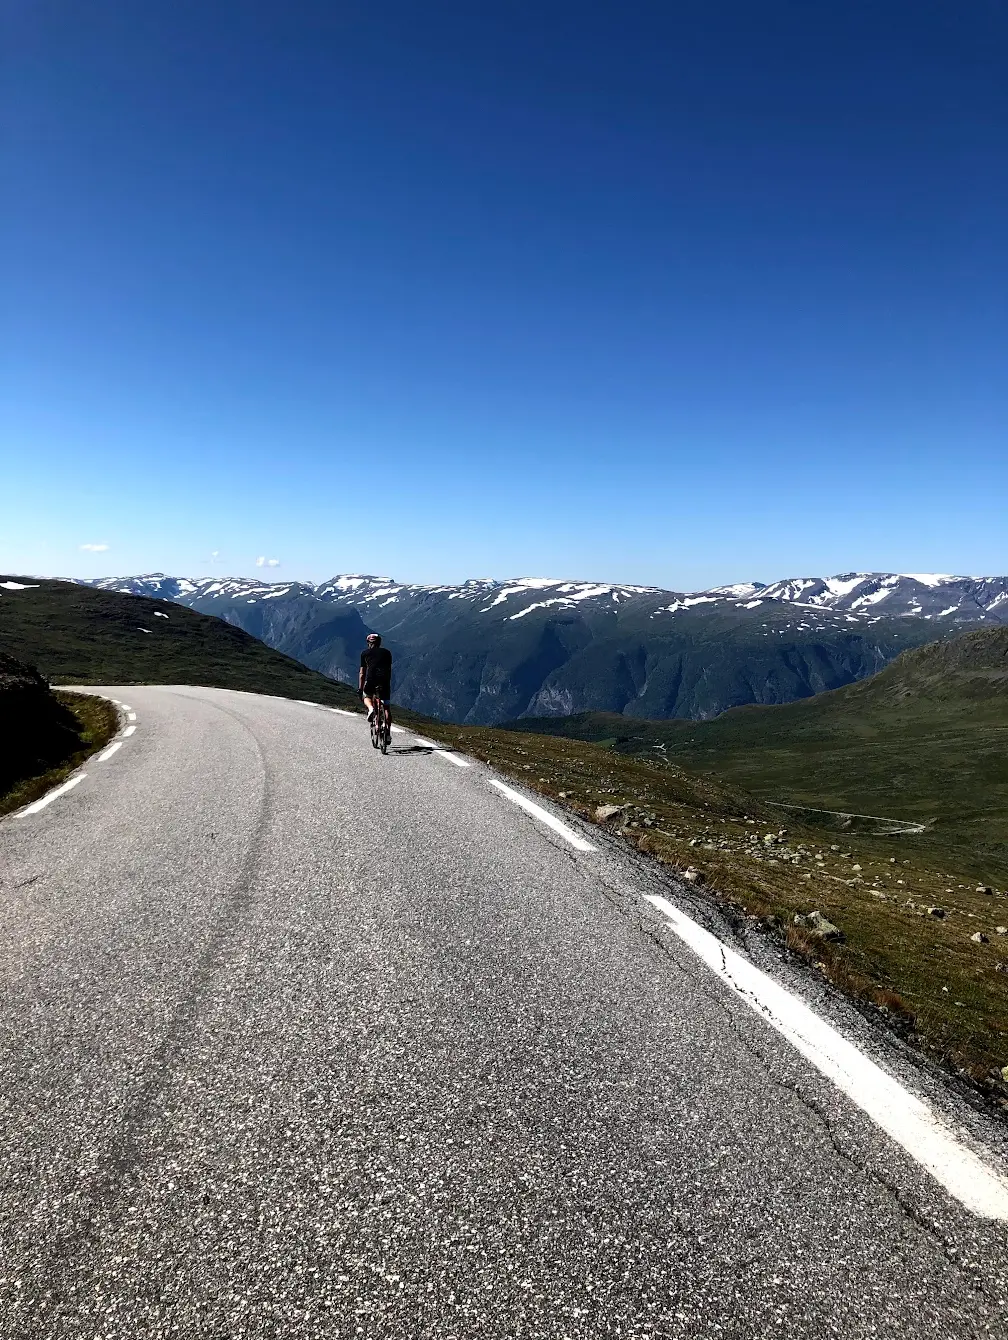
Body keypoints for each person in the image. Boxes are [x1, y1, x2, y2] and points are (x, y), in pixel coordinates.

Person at [359, 632, 392, 732]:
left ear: (368, 643)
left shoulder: (365, 654)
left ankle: (371, 709)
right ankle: (387, 731)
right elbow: (388, 669)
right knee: (386, 707)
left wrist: (360, 689)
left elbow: (362, 673)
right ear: (379, 643)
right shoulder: (387, 653)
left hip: (371, 680)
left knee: (366, 695)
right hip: (384, 681)